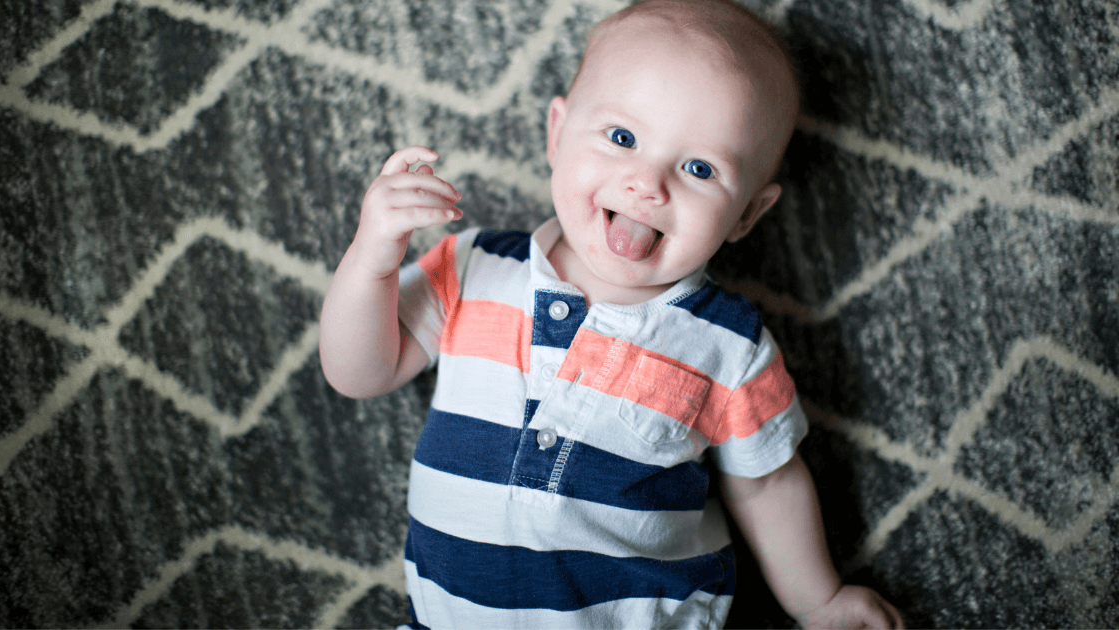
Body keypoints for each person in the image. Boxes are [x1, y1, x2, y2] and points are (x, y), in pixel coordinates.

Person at [319, 0, 904, 627]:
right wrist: (371, 261)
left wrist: (820, 599)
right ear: (557, 133)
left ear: (746, 216)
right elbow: (359, 373)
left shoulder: (729, 347)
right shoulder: (473, 266)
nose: (647, 184)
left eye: (699, 169)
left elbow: (768, 484)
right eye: (622, 138)